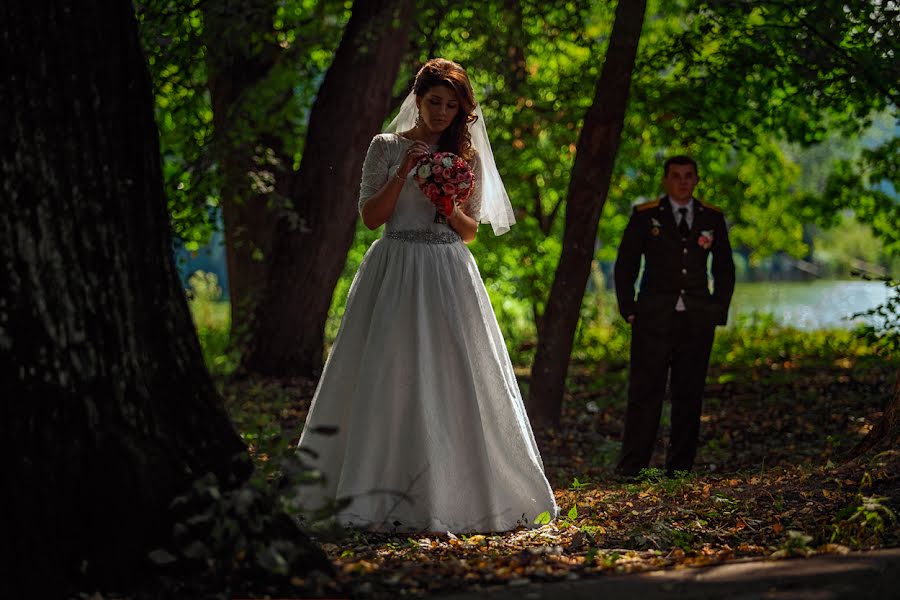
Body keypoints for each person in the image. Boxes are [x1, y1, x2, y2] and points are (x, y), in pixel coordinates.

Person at [295, 58, 557, 533]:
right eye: (434, 101)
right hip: (395, 267)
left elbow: (471, 230)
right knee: (387, 372)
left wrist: (447, 205)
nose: (441, 112)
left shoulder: (466, 157)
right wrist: (406, 172)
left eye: (451, 105)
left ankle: (460, 493)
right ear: (417, 99)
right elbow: (371, 217)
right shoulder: (386, 146)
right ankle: (370, 490)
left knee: (454, 372)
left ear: (461, 110)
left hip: (447, 269)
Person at [613, 155, 735, 478]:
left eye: (689, 176)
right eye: (676, 175)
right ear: (666, 180)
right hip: (653, 318)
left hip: (696, 320)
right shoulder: (646, 216)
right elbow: (626, 265)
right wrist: (629, 309)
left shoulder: (711, 217)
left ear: (696, 180)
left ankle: (679, 469)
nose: (683, 181)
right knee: (645, 393)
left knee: (689, 394)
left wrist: (716, 311)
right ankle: (632, 468)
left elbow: (724, 269)